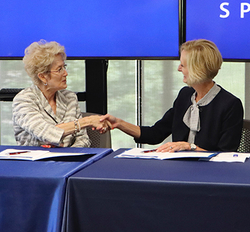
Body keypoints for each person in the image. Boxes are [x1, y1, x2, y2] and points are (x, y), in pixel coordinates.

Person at [100, 39, 244, 152]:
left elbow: (226, 154)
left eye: (183, 65)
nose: (178, 69)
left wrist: (190, 147)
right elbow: (155, 133)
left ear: (197, 69)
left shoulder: (230, 105)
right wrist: (119, 123)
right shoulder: (185, 95)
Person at [12, 40, 109, 147]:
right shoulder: (24, 100)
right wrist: (88, 121)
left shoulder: (70, 97)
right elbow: (46, 133)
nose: (65, 73)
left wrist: (69, 155)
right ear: (42, 76)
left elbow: (83, 139)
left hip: (71, 160)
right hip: (35, 162)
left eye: (64, 67)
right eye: (59, 69)